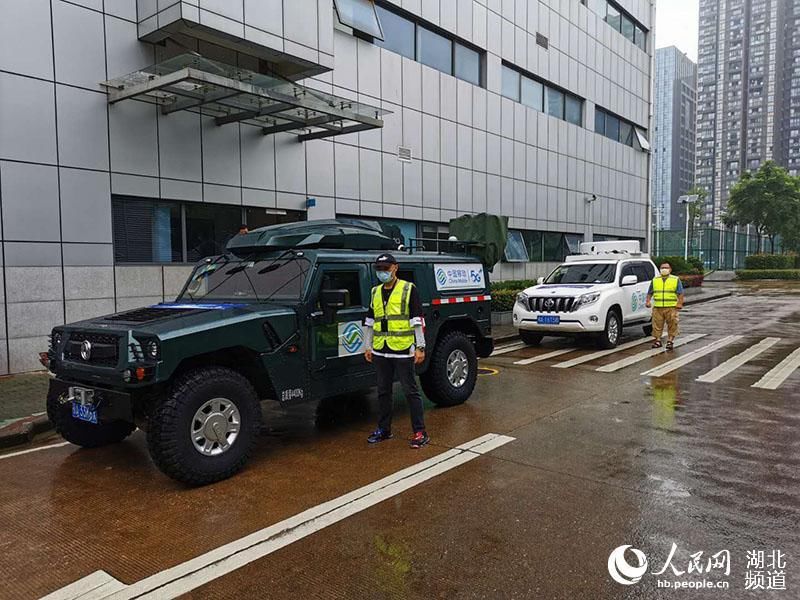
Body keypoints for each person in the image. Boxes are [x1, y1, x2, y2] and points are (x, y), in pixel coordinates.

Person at [363, 253, 429, 449]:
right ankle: (384, 430)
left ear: (395, 268)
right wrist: (367, 346)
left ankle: (420, 432)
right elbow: (369, 321)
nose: (382, 272)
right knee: (383, 391)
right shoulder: (375, 291)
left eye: (386, 268)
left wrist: (420, 347)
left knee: (410, 391)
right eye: (379, 269)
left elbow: (417, 319)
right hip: (381, 349)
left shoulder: (408, 289)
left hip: (402, 349)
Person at [646, 262, 685, 350]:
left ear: (670, 269)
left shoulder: (675, 279)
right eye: (662, 267)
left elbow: (680, 293)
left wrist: (680, 303)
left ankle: (670, 341)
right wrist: (648, 301)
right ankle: (658, 341)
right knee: (656, 325)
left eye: (666, 267)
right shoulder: (655, 280)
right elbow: (650, 292)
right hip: (658, 307)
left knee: (672, 324)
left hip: (671, 307)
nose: (664, 269)